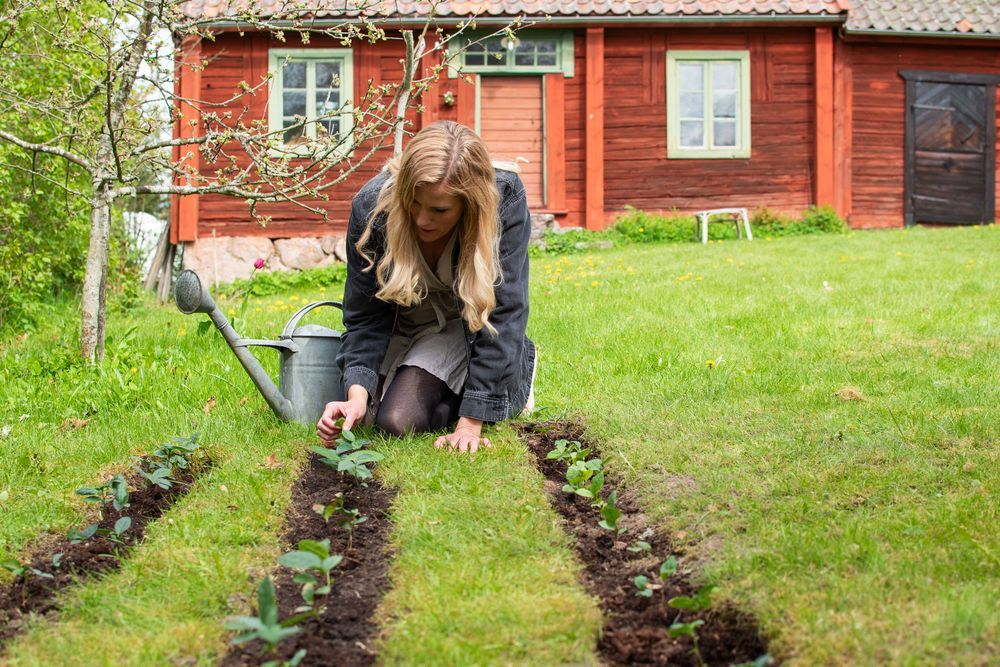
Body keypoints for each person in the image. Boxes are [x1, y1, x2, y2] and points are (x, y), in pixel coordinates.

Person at [315, 120, 536, 454]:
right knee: (370, 416)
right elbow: (364, 315)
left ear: (470, 202)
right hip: (401, 322)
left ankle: (505, 379)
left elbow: (505, 313)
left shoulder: (502, 199)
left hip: (464, 325)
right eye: (413, 203)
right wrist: (356, 394)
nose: (421, 220)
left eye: (439, 209)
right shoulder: (373, 207)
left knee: (397, 420)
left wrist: (471, 422)